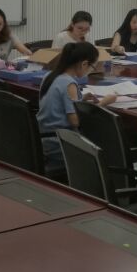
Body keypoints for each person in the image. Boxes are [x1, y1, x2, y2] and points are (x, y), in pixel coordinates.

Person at [36, 42, 116, 175]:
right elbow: (75, 121)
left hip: (42, 139)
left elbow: (59, 102)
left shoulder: (49, 76)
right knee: (108, 143)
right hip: (59, 143)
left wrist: (81, 99)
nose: (90, 71)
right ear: (84, 64)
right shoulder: (69, 83)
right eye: (92, 67)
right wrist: (103, 103)